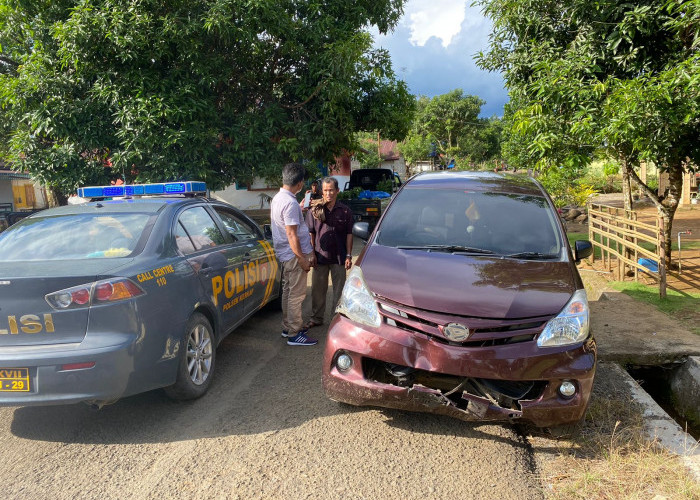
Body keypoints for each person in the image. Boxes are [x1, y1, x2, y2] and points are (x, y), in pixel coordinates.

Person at [270, 163, 318, 346]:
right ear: (299, 183)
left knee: (288, 292)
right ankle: (294, 333)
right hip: (293, 255)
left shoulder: (279, 198)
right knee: (296, 295)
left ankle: (287, 327)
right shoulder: (289, 203)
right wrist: (302, 258)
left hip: (285, 254)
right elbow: (291, 234)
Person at [304, 176, 354, 329]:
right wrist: (311, 254)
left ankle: (336, 320)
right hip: (320, 256)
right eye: (325, 190)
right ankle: (316, 318)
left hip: (339, 256)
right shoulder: (315, 210)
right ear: (322, 191)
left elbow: (349, 234)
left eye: (331, 190)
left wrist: (349, 255)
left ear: (337, 191)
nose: (328, 193)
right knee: (318, 290)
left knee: (339, 291)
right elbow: (310, 233)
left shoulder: (345, 211)